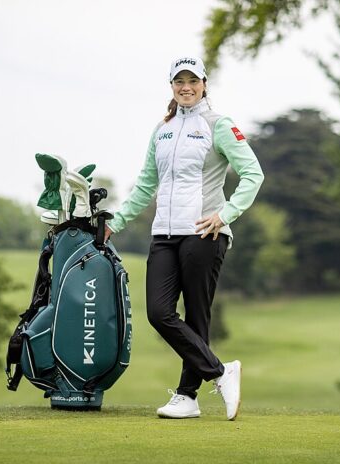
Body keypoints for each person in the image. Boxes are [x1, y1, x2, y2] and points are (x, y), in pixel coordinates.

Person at [104, 56, 264, 420]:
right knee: (159, 313)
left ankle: (188, 396)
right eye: (180, 81)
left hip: (203, 233)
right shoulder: (162, 130)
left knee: (196, 317)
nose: (186, 87)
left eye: (193, 80)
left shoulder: (219, 125)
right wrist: (118, 220)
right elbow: (146, 184)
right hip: (164, 233)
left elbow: (253, 174)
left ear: (204, 84)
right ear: (172, 86)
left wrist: (225, 214)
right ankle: (221, 372)